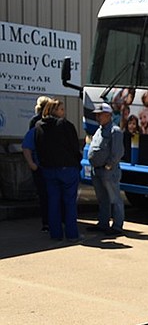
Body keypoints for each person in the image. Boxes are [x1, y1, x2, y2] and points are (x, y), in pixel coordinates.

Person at [33, 99, 82, 241]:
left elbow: (38, 147)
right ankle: (72, 234)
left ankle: (56, 234)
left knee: (53, 202)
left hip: (48, 169)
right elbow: (74, 146)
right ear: (54, 110)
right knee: (69, 203)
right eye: (61, 109)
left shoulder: (38, 126)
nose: (63, 112)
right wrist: (76, 161)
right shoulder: (65, 125)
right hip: (67, 168)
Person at [87, 103, 125, 236]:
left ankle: (117, 226)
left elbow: (117, 152)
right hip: (96, 169)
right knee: (103, 199)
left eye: (100, 114)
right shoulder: (99, 129)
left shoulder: (115, 131)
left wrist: (109, 165)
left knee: (114, 198)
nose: (97, 117)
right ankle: (103, 223)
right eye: (96, 115)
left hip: (108, 171)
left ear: (108, 115)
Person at [21, 95, 52, 232]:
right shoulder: (38, 122)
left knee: (46, 195)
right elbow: (29, 144)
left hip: (44, 164)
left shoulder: (36, 120)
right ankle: (48, 222)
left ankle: (49, 221)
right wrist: (32, 163)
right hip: (41, 164)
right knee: (47, 195)